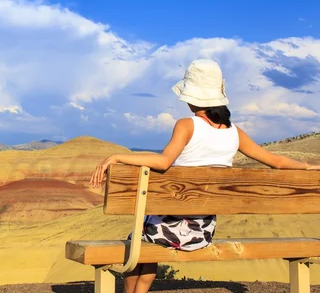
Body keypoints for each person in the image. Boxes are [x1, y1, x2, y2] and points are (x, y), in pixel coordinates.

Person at [89, 59, 319, 293]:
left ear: (192, 97)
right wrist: (306, 167)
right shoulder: (234, 132)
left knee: (137, 241)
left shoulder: (187, 125)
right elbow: (277, 162)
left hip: (164, 229)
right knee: (148, 240)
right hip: (202, 232)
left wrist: (118, 157)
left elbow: (163, 161)